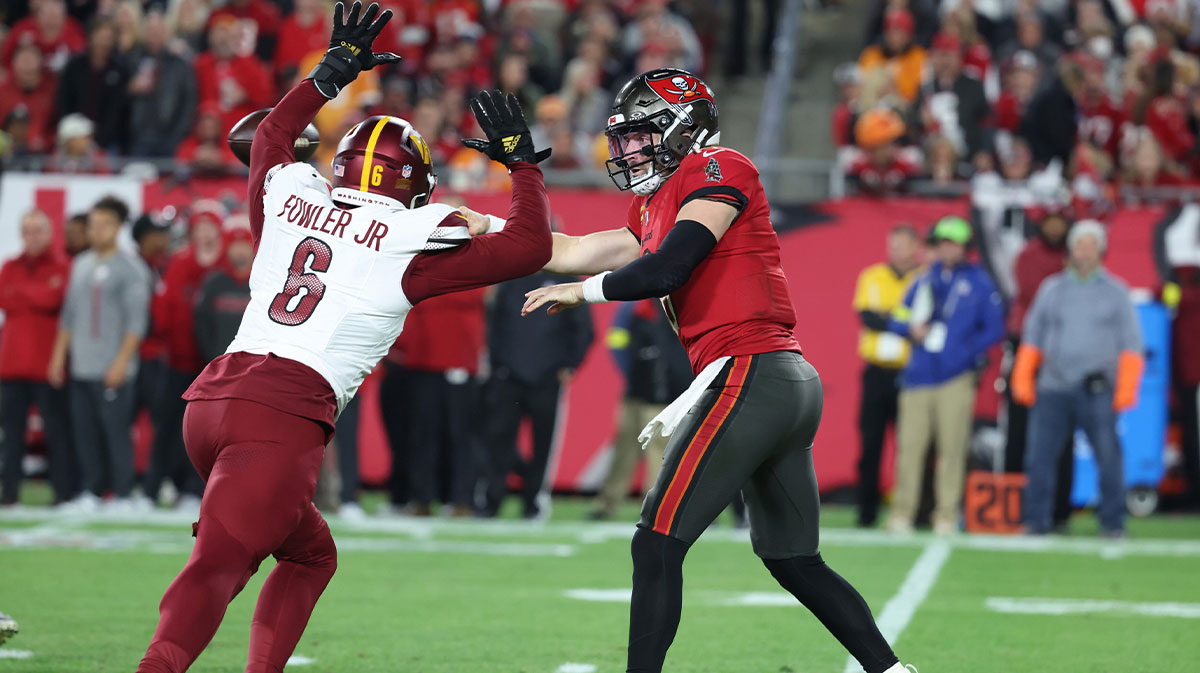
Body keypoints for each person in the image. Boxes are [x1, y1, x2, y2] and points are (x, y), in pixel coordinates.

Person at [134, 4, 553, 671]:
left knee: (310, 552)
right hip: (280, 417)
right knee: (217, 568)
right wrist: (522, 165)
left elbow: (272, 133)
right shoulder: (409, 236)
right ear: (411, 184)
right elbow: (531, 245)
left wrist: (330, 73)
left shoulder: (293, 191)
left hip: (211, 403)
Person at [522, 67, 915, 673]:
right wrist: (486, 229)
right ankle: (891, 672)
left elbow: (666, 269)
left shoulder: (719, 167)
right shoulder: (655, 202)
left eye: (640, 135)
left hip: (750, 372)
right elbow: (566, 249)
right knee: (792, 558)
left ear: (684, 129)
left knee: (655, 542)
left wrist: (585, 293)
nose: (628, 150)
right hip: (776, 379)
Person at [1012, 221, 1144, 537]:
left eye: (1090, 244)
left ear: (1101, 251)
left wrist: (1126, 389)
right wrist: (1023, 377)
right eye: (1078, 244)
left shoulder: (1116, 292)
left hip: (1097, 388)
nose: (1084, 251)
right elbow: (1033, 336)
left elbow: (1132, 343)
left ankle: (1113, 522)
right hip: (1053, 387)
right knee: (1039, 458)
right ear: (1070, 250)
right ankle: (1036, 521)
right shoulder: (1051, 289)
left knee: (1109, 457)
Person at [886, 216, 1005, 535]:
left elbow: (994, 327)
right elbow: (897, 317)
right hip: (918, 375)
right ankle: (903, 513)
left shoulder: (980, 282)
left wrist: (965, 352)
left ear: (965, 247)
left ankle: (946, 515)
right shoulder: (923, 280)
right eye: (941, 243)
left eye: (952, 243)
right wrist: (911, 329)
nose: (946, 249)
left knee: (952, 449)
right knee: (910, 449)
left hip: (955, 377)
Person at [49, 196, 151, 513]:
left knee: (116, 431)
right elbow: (69, 316)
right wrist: (57, 357)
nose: (97, 230)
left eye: (104, 224)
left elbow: (137, 321)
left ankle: (122, 493)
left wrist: (122, 361)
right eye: (92, 224)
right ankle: (91, 492)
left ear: (118, 227)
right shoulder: (80, 264)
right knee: (85, 432)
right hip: (82, 364)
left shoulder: (131, 268)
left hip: (113, 366)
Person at [480, 270, 594, 520]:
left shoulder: (570, 281)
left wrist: (570, 365)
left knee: (542, 445)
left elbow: (584, 330)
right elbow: (495, 321)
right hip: (508, 376)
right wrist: (497, 363)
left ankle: (534, 502)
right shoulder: (511, 277)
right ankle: (491, 500)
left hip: (547, 377)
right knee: (498, 441)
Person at [590, 299, 692, 521]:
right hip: (639, 388)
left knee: (658, 450)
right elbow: (618, 341)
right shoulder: (635, 304)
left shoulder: (678, 303)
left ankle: (656, 507)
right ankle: (609, 502)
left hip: (662, 391)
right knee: (628, 447)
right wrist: (630, 375)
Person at [1004, 209, 1074, 528]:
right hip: (1029, 348)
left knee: (1062, 433)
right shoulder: (1029, 256)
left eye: (1061, 222)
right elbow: (1037, 299)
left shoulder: (1074, 259)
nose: (1056, 227)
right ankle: (1013, 506)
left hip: (1062, 352)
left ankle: (1059, 510)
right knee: (1019, 430)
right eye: (1052, 221)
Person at [0, 210, 73, 506]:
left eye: (38, 230)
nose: (33, 236)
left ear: (49, 233)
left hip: (47, 366)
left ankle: (62, 493)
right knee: (12, 434)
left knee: (56, 432)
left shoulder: (63, 267)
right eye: (28, 230)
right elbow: (6, 298)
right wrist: (40, 294)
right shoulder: (10, 266)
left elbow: (55, 299)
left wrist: (23, 294)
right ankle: (10, 494)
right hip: (12, 366)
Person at [852, 224, 922, 528]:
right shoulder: (872, 276)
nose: (897, 251)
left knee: (912, 446)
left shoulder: (923, 278)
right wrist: (903, 323)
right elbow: (868, 317)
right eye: (893, 245)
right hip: (877, 370)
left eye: (903, 245)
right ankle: (867, 512)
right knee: (871, 444)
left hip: (911, 372)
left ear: (915, 247)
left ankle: (914, 511)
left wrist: (889, 318)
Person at [395, 288, 487, 517]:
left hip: (458, 358)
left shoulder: (471, 263)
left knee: (460, 435)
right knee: (422, 434)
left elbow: (479, 293)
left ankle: (461, 499)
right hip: (422, 359)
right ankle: (422, 498)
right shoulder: (423, 261)